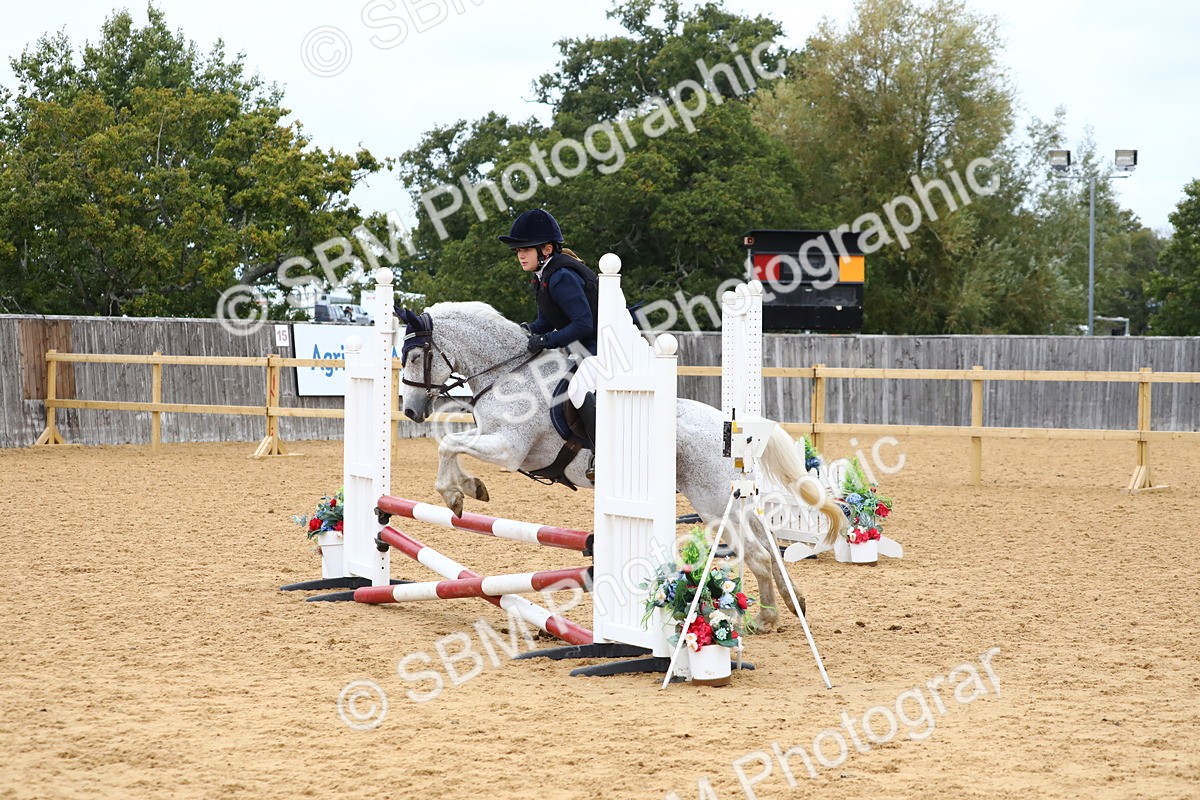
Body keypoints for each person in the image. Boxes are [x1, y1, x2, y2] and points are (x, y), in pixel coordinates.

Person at [498, 209, 599, 355]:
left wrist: (546, 340)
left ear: (547, 250)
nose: (521, 256)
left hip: (602, 347)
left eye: (526, 250)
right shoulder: (542, 276)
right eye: (518, 250)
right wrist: (522, 330)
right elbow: (546, 322)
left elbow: (583, 324)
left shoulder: (561, 277)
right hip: (582, 347)